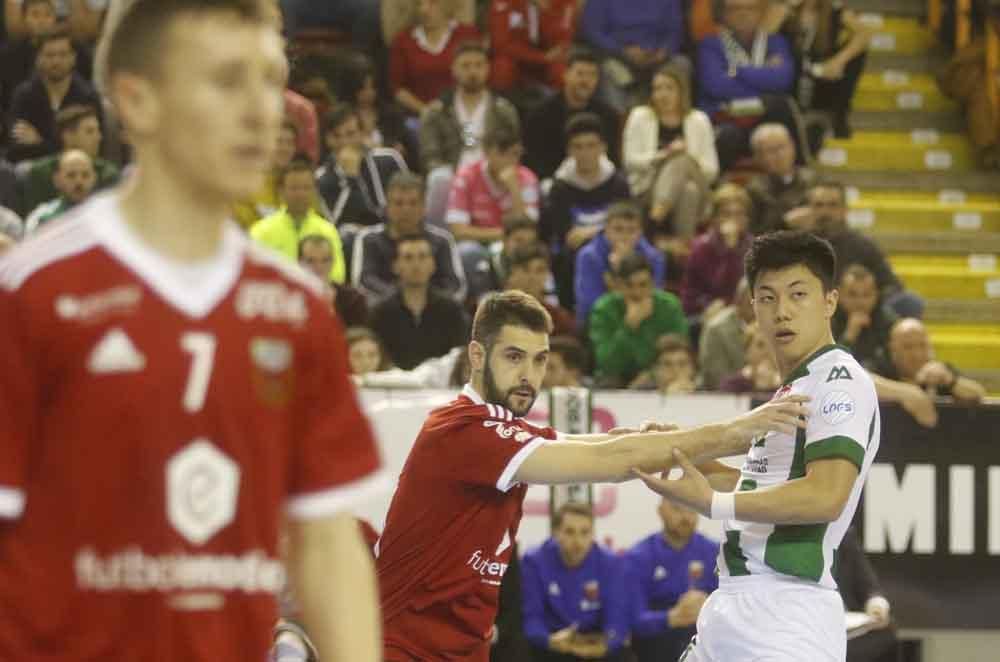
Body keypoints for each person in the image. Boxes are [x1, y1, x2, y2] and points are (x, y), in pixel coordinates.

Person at [0, 1, 385, 660]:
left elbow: (325, 543)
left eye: (271, 79)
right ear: (138, 101)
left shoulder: (296, 308)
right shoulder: (36, 293)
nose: (264, 109)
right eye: (227, 80)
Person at [375, 289, 810, 662]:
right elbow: (614, 459)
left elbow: (599, 444)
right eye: (514, 357)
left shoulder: (503, 430)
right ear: (476, 355)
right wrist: (739, 431)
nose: (529, 375)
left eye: (540, 360)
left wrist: (657, 438)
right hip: (405, 650)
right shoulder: (463, 430)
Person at [633, 230, 882, 662]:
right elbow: (758, 487)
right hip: (735, 602)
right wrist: (678, 448)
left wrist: (712, 502)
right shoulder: (793, 388)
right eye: (767, 297)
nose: (782, 311)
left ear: (830, 302)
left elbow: (825, 496)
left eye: (798, 294)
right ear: (752, 309)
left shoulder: (839, 380)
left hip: (784, 614)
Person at [420, 40, 521, 226]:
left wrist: (497, 171)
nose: (472, 72)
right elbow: (430, 156)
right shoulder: (436, 112)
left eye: (478, 65)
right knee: (439, 177)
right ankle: (437, 234)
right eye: (466, 66)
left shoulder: (504, 110)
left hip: (492, 173)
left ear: (488, 69)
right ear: (454, 69)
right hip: (453, 172)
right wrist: (458, 176)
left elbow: (513, 151)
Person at [696, 0, 802, 172]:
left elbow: (782, 80)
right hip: (726, 116)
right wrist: (763, 76)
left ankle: (794, 175)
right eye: (735, 8)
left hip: (763, 116)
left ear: (761, 13)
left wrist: (737, 71)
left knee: (782, 106)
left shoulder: (776, 43)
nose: (743, 14)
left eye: (750, 8)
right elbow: (716, 85)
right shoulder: (710, 45)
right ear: (724, 14)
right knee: (729, 135)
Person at [623, 63, 718, 249]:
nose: (663, 94)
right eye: (658, 88)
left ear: (682, 91)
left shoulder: (699, 120)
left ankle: (655, 218)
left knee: (682, 161)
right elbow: (630, 161)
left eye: (669, 88)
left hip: (698, 188)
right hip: (648, 190)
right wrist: (663, 156)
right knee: (688, 190)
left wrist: (685, 158)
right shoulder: (640, 116)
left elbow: (712, 171)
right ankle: (685, 251)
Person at [542, 112, 631, 308]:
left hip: (617, 243)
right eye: (578, 147)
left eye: (591, 146)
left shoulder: (618, 183)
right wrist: (604, 231)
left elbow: (628, 224)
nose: (585, 153)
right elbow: (568, 236)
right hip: (574, 254)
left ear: (603, 147)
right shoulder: (559, 187)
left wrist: (593, 232)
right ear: (569, 151)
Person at [521, 502, 630, 661]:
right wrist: (548, 640)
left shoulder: (610, 562)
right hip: (553, 643)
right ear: (556, 532)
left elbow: (617, 619)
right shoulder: (534, 561)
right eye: (570, 532)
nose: (578, 541)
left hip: (594, 641)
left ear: (593, 533)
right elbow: (531, 618)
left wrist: (605, 645)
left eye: (585, 532)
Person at [805, 180, 924, 319]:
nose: (825, 212)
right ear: (809, 209)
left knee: (909, 303)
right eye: (819, 205)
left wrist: (863, 301)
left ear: (845, 210)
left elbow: (891, 286)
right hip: (809, 315)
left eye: (833, 205)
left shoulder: (863, 246)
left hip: (853, 317)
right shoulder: (797, 247)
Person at [446, 121, 540, 285]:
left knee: (529, 251)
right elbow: (458, 231)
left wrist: (514, 189)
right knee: (466, 252)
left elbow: (529, 230)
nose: (512, 161)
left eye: (516, 154)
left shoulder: (527, 179)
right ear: (488, 152)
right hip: (479, 245)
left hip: (516, 245)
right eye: (505, 154)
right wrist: (504, 235)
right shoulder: (466, 177)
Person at [352, 171, 466, 304]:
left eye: (413, 203)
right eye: (399, 203)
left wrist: (426, 303)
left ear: (424, 207)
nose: (406, 209)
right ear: (387, 207)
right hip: (386, 311)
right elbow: (364, 282)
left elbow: (455, 285)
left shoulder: (442, 241)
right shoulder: (369, 239)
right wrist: (404, 300)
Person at [627, 498, 719, 662]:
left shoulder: (715, 552)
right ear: (660, 510)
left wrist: (708, 607)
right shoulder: (639, 556)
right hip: (657, 645)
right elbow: (633, 620)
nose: (685, 516)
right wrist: (672, 617)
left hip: (704, 638)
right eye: (677, 508)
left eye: (691, 509)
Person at [767, 0, 872, 139]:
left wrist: (838, 61)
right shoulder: (783, 7)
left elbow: (864, 34)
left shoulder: (834, 9)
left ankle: (838, 117)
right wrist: (787, 7)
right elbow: (764, 36)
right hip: (792, 72)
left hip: (822, 73)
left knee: (856, 56)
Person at [371, 234, 470, 369]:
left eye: (422, 257)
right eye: (408, 258)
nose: (416, 265)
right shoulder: (380, 311)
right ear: (395, 266)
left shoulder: (452, 310)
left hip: (440, 385)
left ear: (432, 265)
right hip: (393, 383)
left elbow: (459, 355)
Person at [589, 252, 688, 386]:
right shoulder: (603, 309)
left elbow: (678, 351)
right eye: (629, 285)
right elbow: (606, 363)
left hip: (658, 376)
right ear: (618, 285)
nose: (637, 292)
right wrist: (628, 326)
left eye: (643, 285)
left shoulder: (669, 306)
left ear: (653, 283)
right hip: (616, 378)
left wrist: (650, 375)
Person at [524, 47, 621, 181]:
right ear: (565, 74)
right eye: (580, 74)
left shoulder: (608, 116)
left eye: (592, 75)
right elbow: (533, 163)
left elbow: (613, 161)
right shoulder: (540, 115)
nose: (586, 81)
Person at [7, 27, 102, 162]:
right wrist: (67, 145)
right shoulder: (24, 95)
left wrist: (39, 143)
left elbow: (93, 148)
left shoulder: (88, 96)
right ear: (38, 59)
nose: (56, 61)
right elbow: (16, 148)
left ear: (73, 58)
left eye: (63, 54)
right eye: (50, 55)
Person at [579, 0, 690, 112]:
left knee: (681, 64)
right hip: (617, 57)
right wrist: (622, 50)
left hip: (657, 59)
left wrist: (664, 51)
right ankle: (619, 122)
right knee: (607, 69)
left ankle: (674, 122)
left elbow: (675, 31)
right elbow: (593, 31)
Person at [250, 159, 347, 283]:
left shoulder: (327, 230)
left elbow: (337, 276)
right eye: (294, 188)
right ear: (281, 192)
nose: (300, 194)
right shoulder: (261, 231)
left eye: (306, 188)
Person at [315, 101, 408, 229]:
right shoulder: (321, 178)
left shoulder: (389, 159)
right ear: (327, 139)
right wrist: (351, 178)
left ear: (362, 133)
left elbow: (407, 207)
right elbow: (334, 225)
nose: (344, 142)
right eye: (336, 136)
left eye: (350, 134)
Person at [574, 200, 665, 328]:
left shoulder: (654, 257)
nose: (624, 236)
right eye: (618, 229)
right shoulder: (589, 256)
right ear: (606, 229)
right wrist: (617, 271)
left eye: (631, 230)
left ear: (640, 232)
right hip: (600, 322)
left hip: (645, 319)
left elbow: (655, 299)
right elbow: (589, 305)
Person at [389, 0, 482, 117]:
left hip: (465, 115)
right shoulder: (403, 41)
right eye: (419, 3)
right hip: (419, 118)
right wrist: (425, 111)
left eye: (432, 3)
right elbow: (398, 89)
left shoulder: (468, 34)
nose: (424, 10)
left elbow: (479, 78)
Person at [21, 104, 120, 214]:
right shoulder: (40, 172)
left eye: (98, 131)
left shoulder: (108, 172)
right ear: (68, 136)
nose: (99, 137)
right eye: (90, 131)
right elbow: (34, 217)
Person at [681, 183, 753, 321]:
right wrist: (707, 306)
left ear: (746, 219)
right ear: (715, 219)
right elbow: (689, 297)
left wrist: (731, 250)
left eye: (739, 214)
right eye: (726, 214)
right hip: (706, 313)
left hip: (744, 313)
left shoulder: (753, 248)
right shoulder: (700, 248)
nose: (733, 220)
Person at [874, 317, 987, 405]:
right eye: (908, 347)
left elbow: (978, 394)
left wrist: (950, 381)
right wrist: (907, 394)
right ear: (892, 349)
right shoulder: (881, 369)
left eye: (922, 346)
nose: (916, 354)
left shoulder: (941, 374)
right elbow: (865, 384)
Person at [488, 0, 579, 93]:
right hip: (516, 57)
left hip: (547, 59)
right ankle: (500, 104)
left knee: (562, 72)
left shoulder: (565, 2)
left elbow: (563, 39)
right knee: (502, 68)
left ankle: (558, 105)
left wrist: (546, 11)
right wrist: (541, 57)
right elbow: (500, 44)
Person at [746, 123, 817, 235]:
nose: (780, 154)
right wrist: (784, 223)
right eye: (771, 150)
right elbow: (752, 234)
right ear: (758, 157)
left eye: (782, 147)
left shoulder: (813, 181)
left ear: (793, 147)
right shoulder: (754, 190)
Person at [233, 119, 300, 230]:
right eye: (278, 142)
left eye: (290, 143)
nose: (285, 148)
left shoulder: (301, 183)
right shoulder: (245, 186)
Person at [504, 242, 576, 337]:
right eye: (525, 270)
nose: (532, 277)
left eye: (540, 270)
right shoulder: (493, 313)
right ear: (512, 274)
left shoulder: (559, 319)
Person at [831, 263, 895, 369]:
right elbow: (827, 366)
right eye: (852, 294)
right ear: (839, 294)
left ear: (876, 295)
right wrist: (848, 337)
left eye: (866, 295)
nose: (860, 302)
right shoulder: (826, 319)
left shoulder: (888, 322)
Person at [299, 234, 370, 328]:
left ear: (332, 262)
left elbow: (358, 338)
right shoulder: (289, 299)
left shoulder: (353, 299)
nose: (319, 267)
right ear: (299, 262)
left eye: (325, 260)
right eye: (310, 261)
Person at [23, 147, 96, 232]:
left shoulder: (106, 217)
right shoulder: (41, 218)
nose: (79, 181)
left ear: (94, 178)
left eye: (85, 175)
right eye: (71, 175)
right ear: (57, 180)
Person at [699, 277, 754, 390]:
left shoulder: (773, 326)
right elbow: (715, 378)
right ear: (738, 301)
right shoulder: (716, 330)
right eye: (751, 302)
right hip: (727, 397)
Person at [717, 322, 782, 394]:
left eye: (772, 345)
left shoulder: (789, 386)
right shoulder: (731, 385)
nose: (767, 351)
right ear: (747, 351)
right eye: (760, 345)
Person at [631, 334, 700, 394]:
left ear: (693, 368)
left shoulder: (707, 394)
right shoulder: (641, 394)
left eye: (682, 364)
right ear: (655, 369)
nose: (675, 370)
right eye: (667, 364)